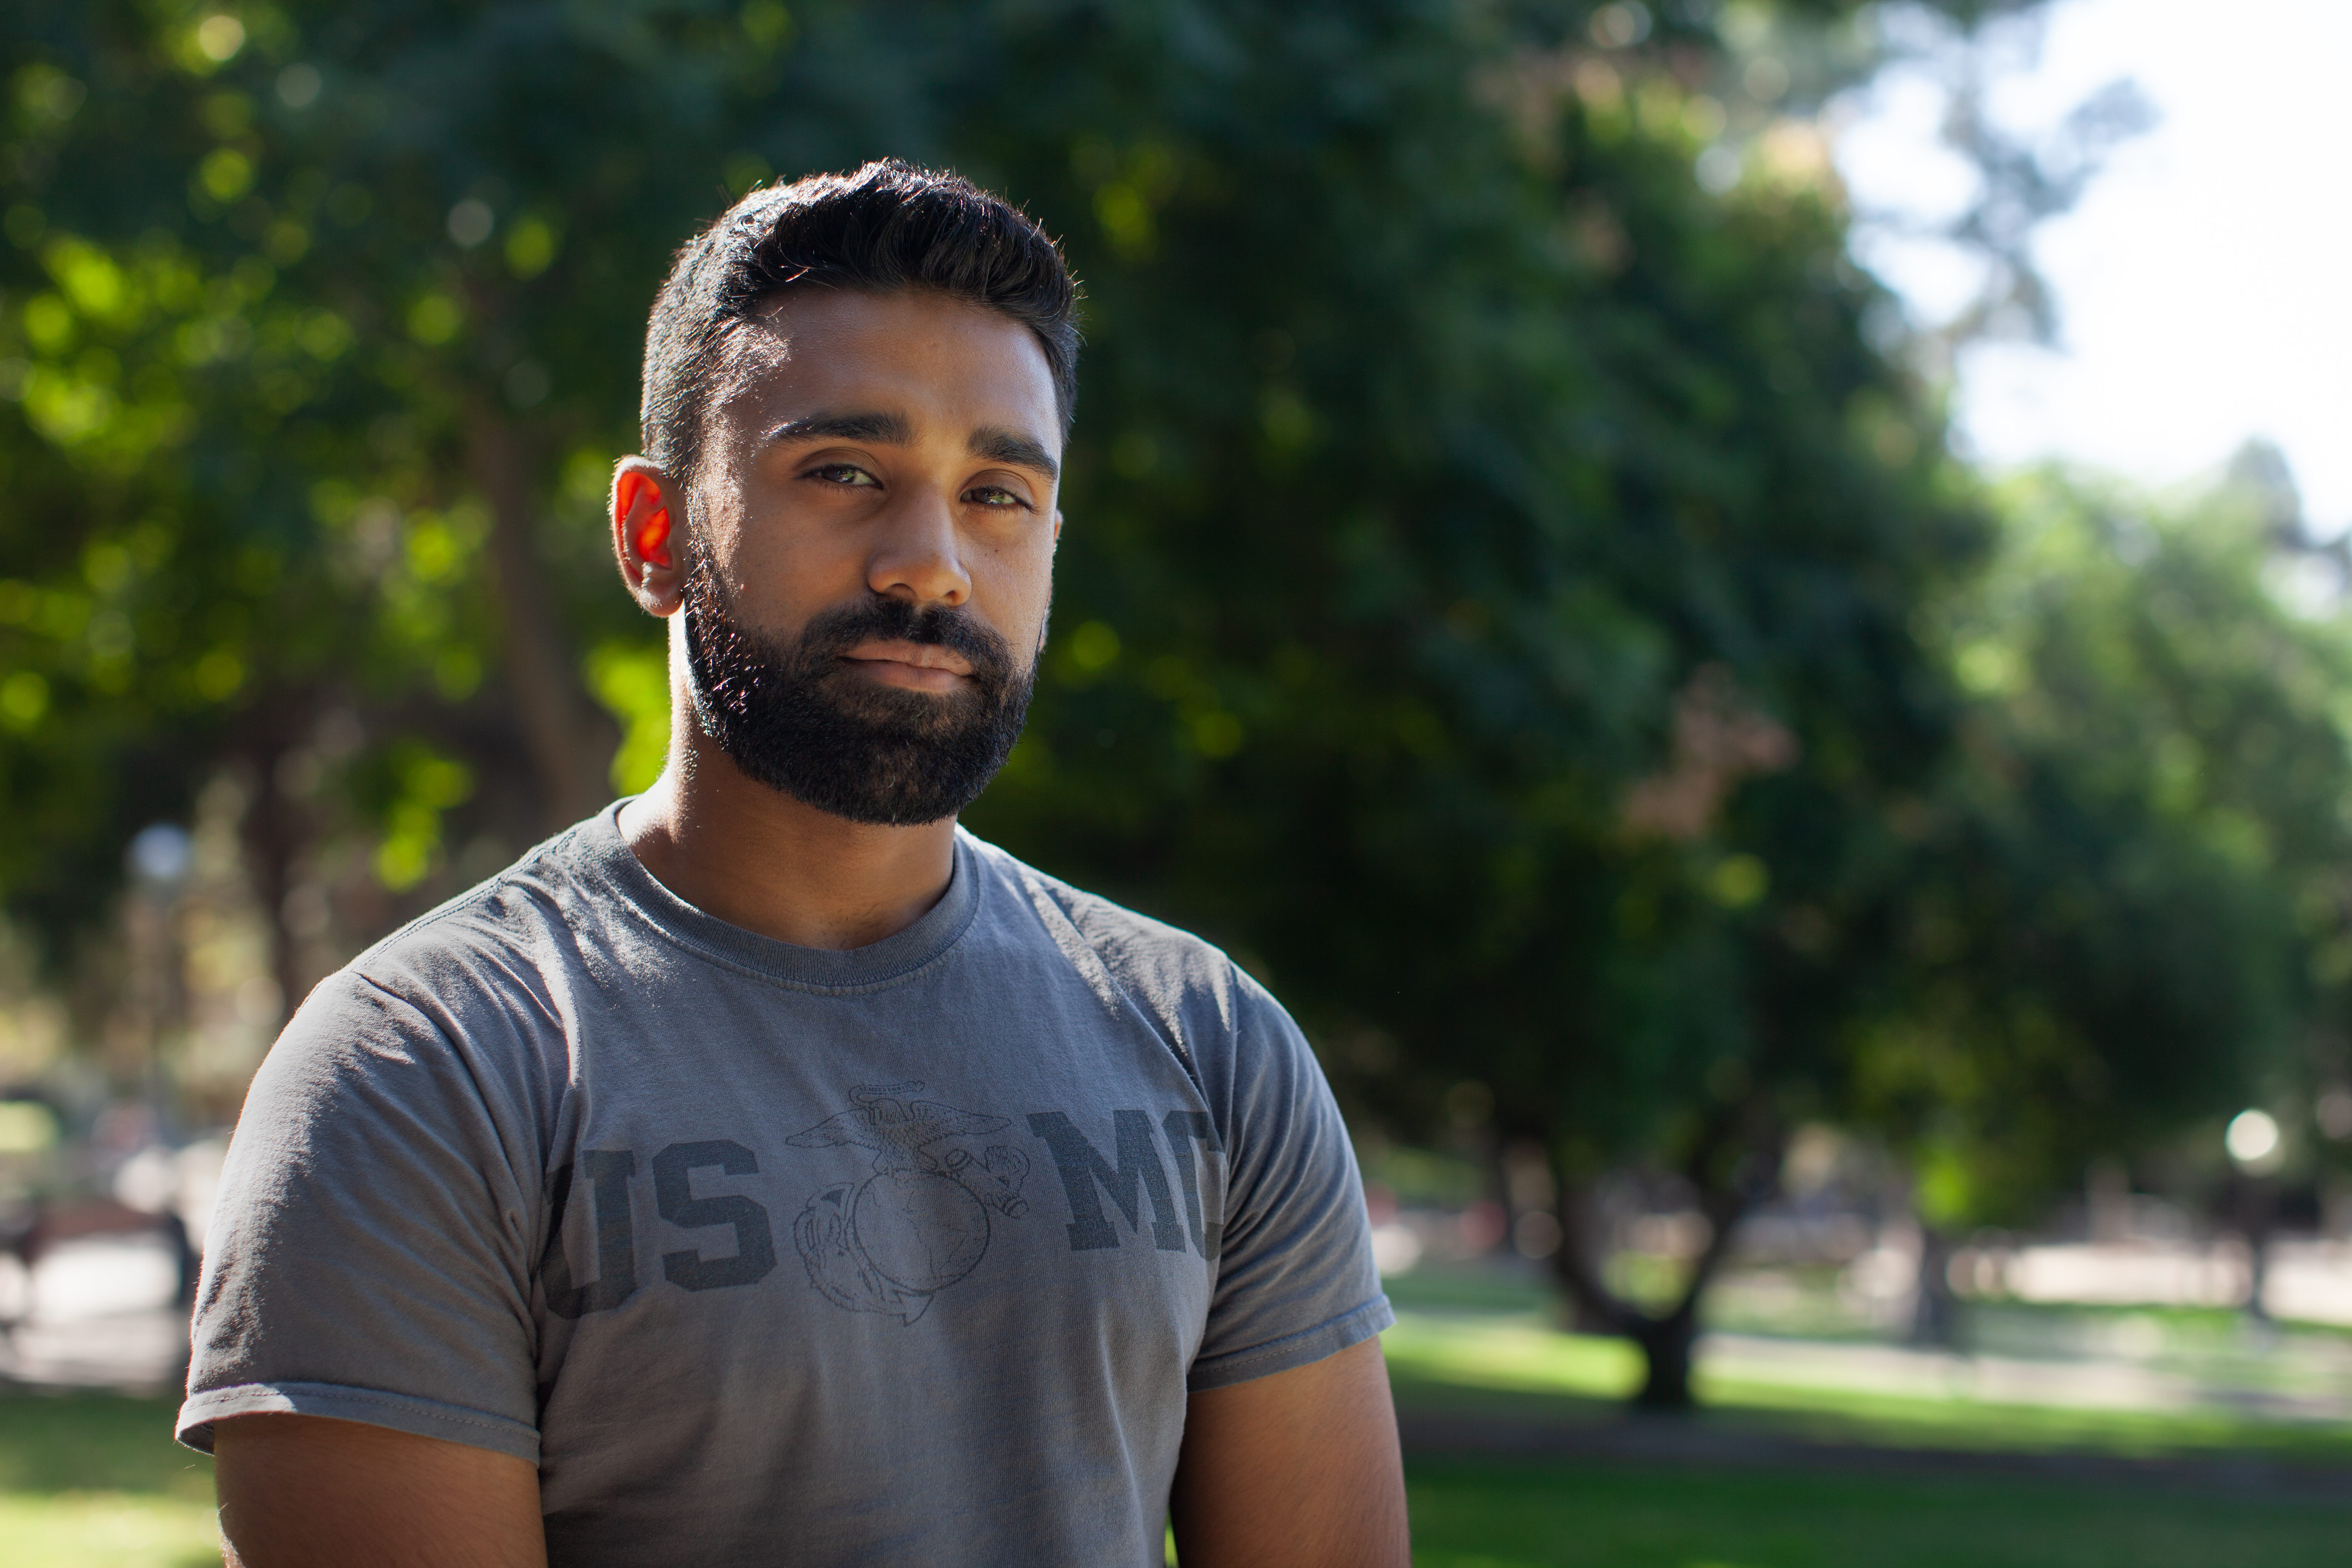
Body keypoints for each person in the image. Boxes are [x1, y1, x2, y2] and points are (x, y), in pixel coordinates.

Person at [178, 160, 1408, 1568]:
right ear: (655, 537)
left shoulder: (1213, 1046)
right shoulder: (424, 1071)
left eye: (999, 493)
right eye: (844, 473)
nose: (931, 564)